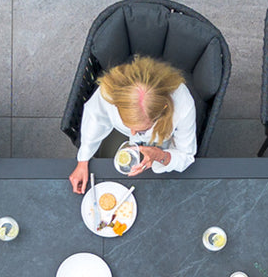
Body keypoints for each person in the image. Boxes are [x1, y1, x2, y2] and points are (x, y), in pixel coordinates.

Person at [68, 55, 197, 194]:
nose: (133, 133)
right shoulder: (111, 92)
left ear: (162, 111)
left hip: (165, 143)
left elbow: (186, 156)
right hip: (119, 136)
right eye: (128, 124)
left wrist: (160, 155)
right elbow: (94, 119)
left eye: (142, 129)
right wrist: (83, 161)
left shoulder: (183, 106)